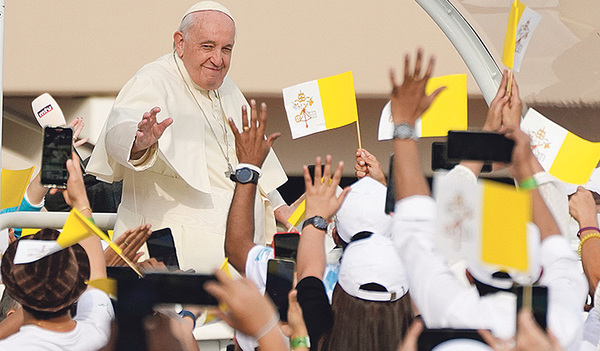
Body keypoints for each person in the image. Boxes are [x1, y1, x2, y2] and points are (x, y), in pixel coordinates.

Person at [389, 49, 586, 350]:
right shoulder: (562, 324)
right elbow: (559, 250)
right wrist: (524, 166)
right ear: (539, 273)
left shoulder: (452, 310)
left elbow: (415, 225)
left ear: (468, 270)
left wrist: (403, 124)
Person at [87, 1, 290, 273]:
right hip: (171, 260)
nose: (218, 59)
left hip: (233, 261)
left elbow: (246, 161)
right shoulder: (153, 79)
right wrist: (139, 142)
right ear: (180, 42)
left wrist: (279, 207)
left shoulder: (227, 89)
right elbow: (118, 131)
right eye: (207, 46)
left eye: (226, 49)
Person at [0, 153, 114, 350]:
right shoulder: (100, 333)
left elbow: (96, 282)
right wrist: (81, 203)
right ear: (77, 288)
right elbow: (97, 280)